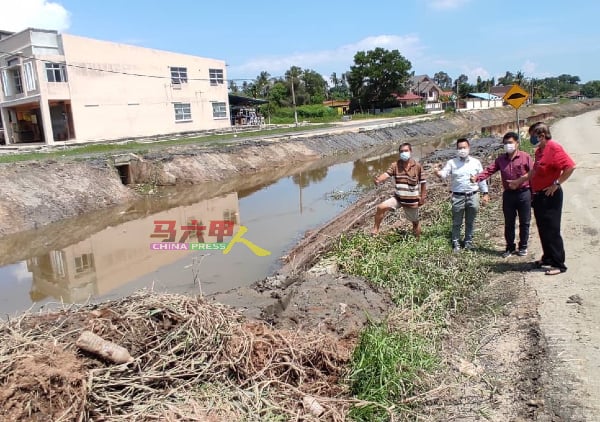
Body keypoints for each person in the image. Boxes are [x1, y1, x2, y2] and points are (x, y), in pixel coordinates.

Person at [508, 123, 575, 275]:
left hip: (550, 196)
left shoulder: (554, 148)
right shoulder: (540, 151)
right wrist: (519, 181)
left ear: (542, 135)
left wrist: (556, 184)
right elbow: (534, 171)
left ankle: (559, 264)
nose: (531, 139)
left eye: (532, 135)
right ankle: (548, 258)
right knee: (543, 229)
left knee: (552, 229)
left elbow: (570, 167)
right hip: (538, 195)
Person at [471, 132, 533, 257]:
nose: (507, 145)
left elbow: (533, 173)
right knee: (509, 222)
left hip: (524, 193)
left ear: (517, 143)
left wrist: (534, 192)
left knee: (524, 221)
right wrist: (477, 178)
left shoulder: (525, 157)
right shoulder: (501, 160)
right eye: (505, 143)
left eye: (510, 143)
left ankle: (523, 246)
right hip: (509, 195)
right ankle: (510, 247)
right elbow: (489, 170)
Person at [435, 138, 489, 252]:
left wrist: (485, 193)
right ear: (457, 149)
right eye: (460, 148)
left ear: (469, 148)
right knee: (457, 221)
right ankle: (456, 242)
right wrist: (438, 173)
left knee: (470, 220)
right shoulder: (452, 163)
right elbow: (444, 174)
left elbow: (482, 178)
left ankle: (468, 241)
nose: (462, 150)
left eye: (464, 147)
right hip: (458, 196)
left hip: (473, 195)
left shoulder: (476, 162)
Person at [372, 143, 426, 239]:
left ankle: (418, 240)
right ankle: (375, 230)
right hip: (398, 198)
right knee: (381, 207)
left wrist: (422, 197)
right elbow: (386, 174)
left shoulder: (417, 166)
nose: (404, 153)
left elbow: (423, 182)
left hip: (412, 201)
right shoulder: (395, 165)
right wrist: (379, 179)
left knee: (415, 222)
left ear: (410, 151)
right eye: (401, 151)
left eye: (406, 151)